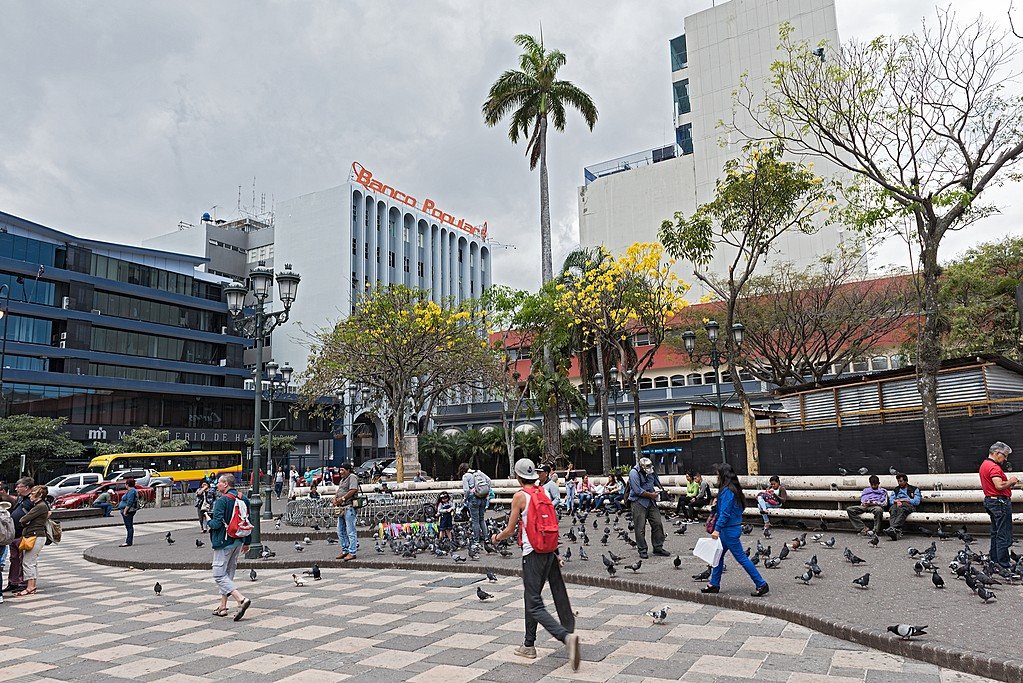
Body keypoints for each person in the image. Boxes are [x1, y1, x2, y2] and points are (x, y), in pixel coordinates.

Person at [490, 458, 580, 671]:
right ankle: (529, 645)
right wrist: (556, 553)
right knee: (531, 598)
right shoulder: (543, 493)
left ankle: (566, 638)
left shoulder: (520, 497)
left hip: (533, 555)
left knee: (534, 603)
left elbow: (511, 530)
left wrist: (496, 537)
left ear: (518, 475)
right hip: (548, 551)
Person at [702, 463, 770, 597]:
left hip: (727, 531)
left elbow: (725, 513)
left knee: (741, 558)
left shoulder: (727, 491)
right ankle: (714, 583)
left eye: (717, 474)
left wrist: (717, 529)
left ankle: (761, 583)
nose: (716, 477)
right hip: (732, 528)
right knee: (718, 556)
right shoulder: (734, 490)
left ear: (722, 475)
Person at [207, 474, 252, 620]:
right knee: (228, 574)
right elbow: (247, 520)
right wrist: (247, 541)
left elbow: (217, 523)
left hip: (224, 541)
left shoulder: (222, 501)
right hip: (238, 540)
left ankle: (241, 599)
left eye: (219, 483)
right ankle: (223, 606)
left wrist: (207, 520)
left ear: (225, 484)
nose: (217, 485)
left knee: (219, 574)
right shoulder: (242, 498)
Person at [980, 441, 1017, 571]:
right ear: (996, 453)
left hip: (991, 501)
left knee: (995, 533)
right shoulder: (994, 467)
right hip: (999, 502)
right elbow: (999, 485)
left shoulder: (984, 465)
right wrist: (1011, 481)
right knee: (1003, 534)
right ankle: (1004, 563)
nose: (1005, 459)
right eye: (1005, 456)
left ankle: (995, 560)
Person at [628, 458, 670, 559]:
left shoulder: (651, 470)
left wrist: (662, 490)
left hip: (651, 502)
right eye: (647, 468)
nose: (649, 469)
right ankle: (642, 549)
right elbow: (638, 490)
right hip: (638, 502)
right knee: (640, 528)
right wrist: (651, 495)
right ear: (641, 467)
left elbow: (656, 481)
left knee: (657, 523)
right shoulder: (634, 473)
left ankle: (658, 547)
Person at [14, 485, 49, 597]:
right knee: (31, 561)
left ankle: (30, 587)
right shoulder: (40, 505)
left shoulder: (40, 506)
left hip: (35, 535)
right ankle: (32, 585)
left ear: (39, 495)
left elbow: (24, 518)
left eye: (32, 494)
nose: (30, 496)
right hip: (36, 535)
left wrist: (26, 522)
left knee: (28, 561)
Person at [5, 478, 32, 594]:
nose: (16, 488)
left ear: (26, 487)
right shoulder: (21, 499)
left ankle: (22, 582)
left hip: (23, 534)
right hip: (14, 534)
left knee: (22, 559)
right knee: (14, 559)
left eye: (18, 486)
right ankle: (13, 581)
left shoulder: (32, 499)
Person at [332, 462, 360, 561]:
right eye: (340, 470)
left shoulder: (352, 477)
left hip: (349, 507)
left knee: (350, 530)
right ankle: (345, 550)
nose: (340, 472)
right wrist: (335, 498)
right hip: (341, 508)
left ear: (348, 470)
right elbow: (339, 490)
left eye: (342, 470)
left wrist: (342, 498)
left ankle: (352, 552)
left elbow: (353, 490)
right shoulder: (342, 480)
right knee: (340, 530)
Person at [459, 463, 491, 545]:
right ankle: (486, 538)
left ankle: (476, 540)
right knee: (481, 518)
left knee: (475, 520)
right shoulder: (479, 472)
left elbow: (466, 490)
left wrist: (466, 498)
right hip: (483, 497)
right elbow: (489, 481)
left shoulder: (466, 476)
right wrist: (486, 492)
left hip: (473, 499)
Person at [885, 473, 920, 540]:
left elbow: (917, 501)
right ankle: (894, 530)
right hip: (897, 504)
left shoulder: (914, 489)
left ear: (906, 481)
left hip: (909, 505)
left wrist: (905, 500)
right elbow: (891, 500)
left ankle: (892, 528)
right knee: (892, 509)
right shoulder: (896, 490)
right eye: (898, 481)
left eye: (901, 481)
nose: (899, 483)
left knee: (902, 509)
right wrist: (896, 501)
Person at [116, 478, 140, 547]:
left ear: (127, 484)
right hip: (128, 510)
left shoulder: (131, 491)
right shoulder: (131, 491)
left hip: (128, 511)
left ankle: (128, 541)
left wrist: (125, 510)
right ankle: (128, 541)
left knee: (129, 526)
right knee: (129, 526)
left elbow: (130, 502)